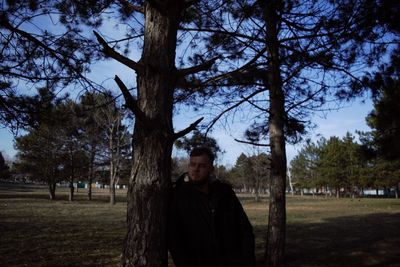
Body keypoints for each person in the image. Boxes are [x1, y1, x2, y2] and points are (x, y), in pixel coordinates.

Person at [168, 146, 256, 267]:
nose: (196, 169)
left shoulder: (225, 194)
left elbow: (245, 229)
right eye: (192, 164)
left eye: (202, 166)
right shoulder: (178, 197)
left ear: (211, 169)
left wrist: (247, 260)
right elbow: (175, 240)